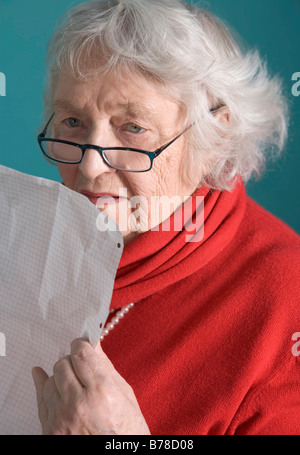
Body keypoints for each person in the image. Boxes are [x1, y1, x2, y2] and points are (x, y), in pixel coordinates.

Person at [32, 0, 300, 435]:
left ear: (215, 140)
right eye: (73, 121)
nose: (89, 168)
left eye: (133, 129)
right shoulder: (26, 239)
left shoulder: (287, 305)